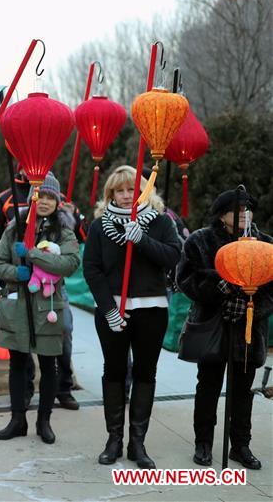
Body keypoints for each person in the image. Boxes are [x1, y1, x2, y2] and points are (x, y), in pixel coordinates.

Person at [83, 165, 181, 469]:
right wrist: (108, 309)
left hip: (151, 311)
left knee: (144, 373)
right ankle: (114, 439)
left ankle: (137, 443)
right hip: (114, 311)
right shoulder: (100, 226)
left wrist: (142, 240)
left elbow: (173, 256)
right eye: (120, 190)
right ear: (110, 194)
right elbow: (92, 269)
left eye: (133, 190)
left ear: (144, 191)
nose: (127, 196)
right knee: (113, 372)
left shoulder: (161, 222)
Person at [176, 187, 271, 470]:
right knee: (208, 387)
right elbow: (185, 277)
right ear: (222, 214)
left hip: (249, 330)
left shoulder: (265, 244)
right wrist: (218, 287)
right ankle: (203, 442)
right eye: (237, 209)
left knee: (243, 391)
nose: (244, 214)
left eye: (248, 208)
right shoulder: (200, 241)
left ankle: (240, 445)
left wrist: (254, 304)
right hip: (212, 326)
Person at [0, 170, 87, 410]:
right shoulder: (12, 220)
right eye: (40, 196)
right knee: (19, 354)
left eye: (51, 197)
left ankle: (62, 390)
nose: (45, 201)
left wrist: (33, 254)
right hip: (20, 298)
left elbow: (71, 261)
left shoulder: (63, 228)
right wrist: (12, 274)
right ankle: (21, 403)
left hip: (51, 299)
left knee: (59, 344)